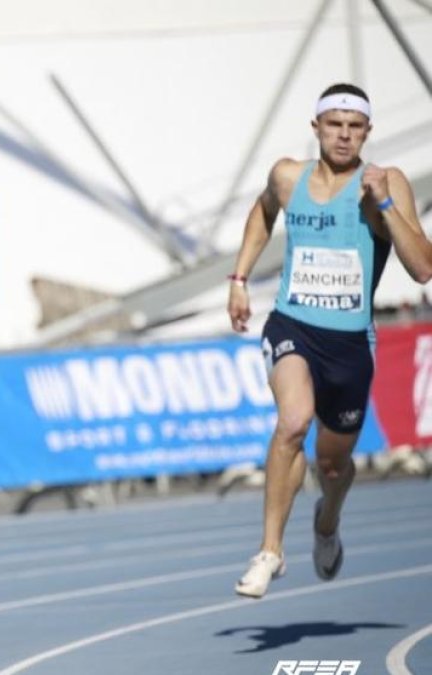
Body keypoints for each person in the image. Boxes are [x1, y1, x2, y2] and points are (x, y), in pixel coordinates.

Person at [227, 83, 431, 598]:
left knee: (333, 463)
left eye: (354, 126)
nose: (344, 135)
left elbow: (423, 266)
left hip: (349, 346)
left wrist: (384, 204)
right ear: (316, 127)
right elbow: (262, 211)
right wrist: (239, 278)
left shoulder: (385, 182)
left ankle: (326, 522)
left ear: (367, 132)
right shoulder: (287, 176)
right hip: (293, 326)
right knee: (292, 422)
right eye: (334, 124)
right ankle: (270, 551)